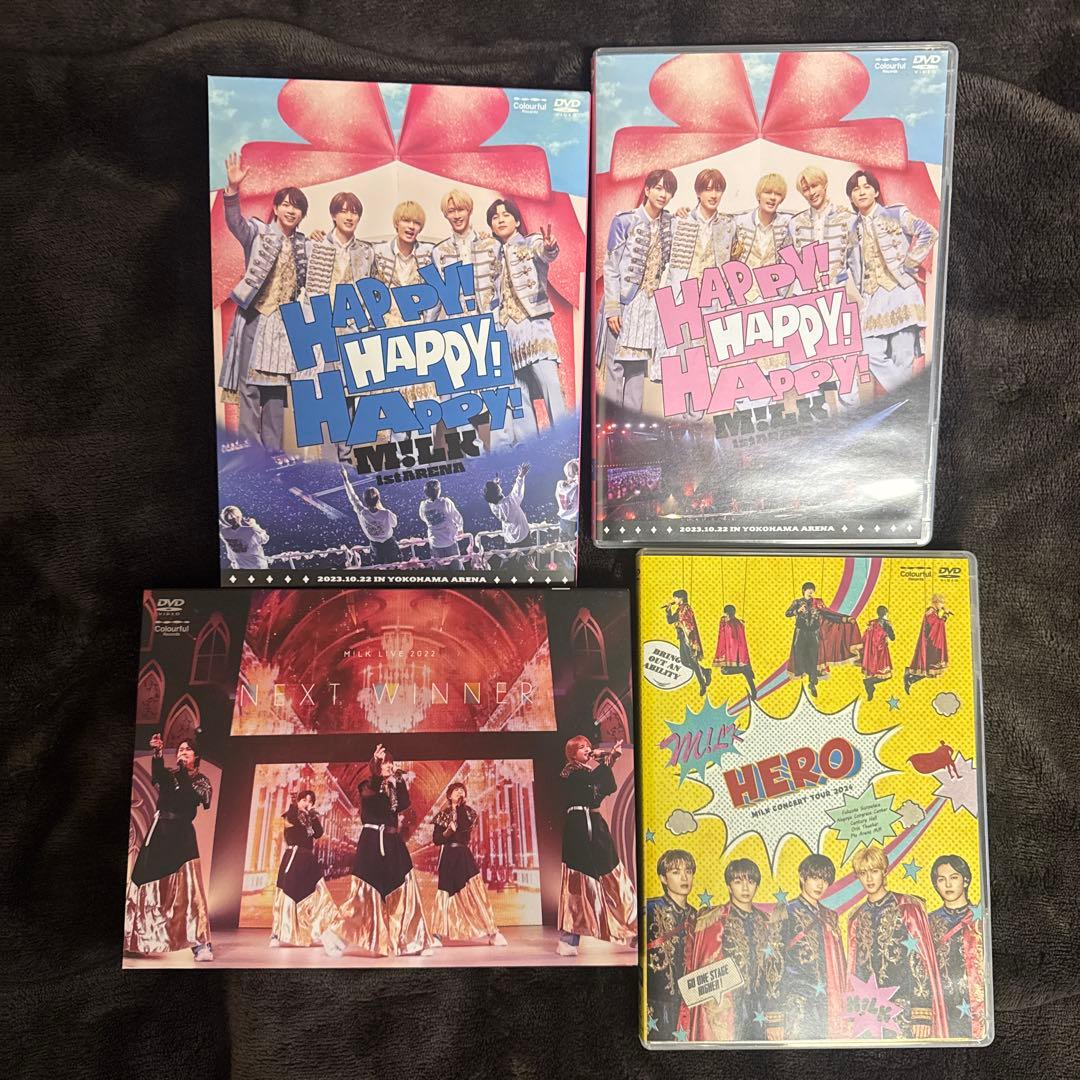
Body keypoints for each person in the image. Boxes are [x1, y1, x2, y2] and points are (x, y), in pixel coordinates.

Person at [218, 151, 309, 454]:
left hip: (284, 325)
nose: (291, 210)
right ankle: (251, 455)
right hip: (256, 318)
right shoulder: (258, 232)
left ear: (302, 214)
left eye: (297, 206)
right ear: (276, 208)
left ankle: (274, 454)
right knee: (250, 388)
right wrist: (233, 190)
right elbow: (235, 223)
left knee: (276, 392)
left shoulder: (304, 244)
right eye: (286, 204)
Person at [844, 169, 938, 403]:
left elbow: (928, 232)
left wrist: (910, 262)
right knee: (868, 352)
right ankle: (911, 398)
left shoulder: (896, 213)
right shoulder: (851, 228)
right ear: (851, 197)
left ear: (876, 191)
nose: (861, 192)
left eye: (866, 187)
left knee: (902, 358)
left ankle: (903, 406)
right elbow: (848, 262)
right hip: (873, 299)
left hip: (901, 294)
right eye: (855, 189)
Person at [297, 192, 375, 462]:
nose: (349, 216)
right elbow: (304, 288)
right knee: (326, 393)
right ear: (333, 215)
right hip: (323, 328)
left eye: (354, 211)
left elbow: (373, 290)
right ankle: (329, 460)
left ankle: (346, 457)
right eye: (344, 211)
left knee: (350, 394)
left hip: (352, 331)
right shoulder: (315, 245)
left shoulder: (366, 251)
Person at [124, 733, 214, 961]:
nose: (182, 752)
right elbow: (157, 775)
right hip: (160, 832)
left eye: (187, 749)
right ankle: (140, 939)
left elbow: (188, 798)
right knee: (144, 881)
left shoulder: (201, 780)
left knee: (189, 890)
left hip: (182, 836)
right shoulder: (170, 775)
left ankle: (200, 944)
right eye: (180, 749)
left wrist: (183, 771)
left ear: (197, 756)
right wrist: (157, 753)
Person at [339, 744, 433, 957]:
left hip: (392, 840)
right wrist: (375, 766)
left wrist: (398, 781)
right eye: (385, 763)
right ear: (376, 766)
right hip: (371, 841)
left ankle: (412, 942)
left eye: (391, 763)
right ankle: (340, 938)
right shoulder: (366, 785)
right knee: (365, 892)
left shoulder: (393, 788)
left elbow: (404, 804)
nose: (389, 766)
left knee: (403, 885)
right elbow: (369, 796)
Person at [487, 198, 564, 447]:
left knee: (550, 386)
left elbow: (545, 252)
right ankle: (531, 451)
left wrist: (550, 247)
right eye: (495, 217)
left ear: (518, 221)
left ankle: (566, 444)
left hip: (534, 327)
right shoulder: (492, 256)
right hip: (507, 333)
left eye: (506, 215)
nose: (500, 219)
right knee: (519, 396)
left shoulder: (530, 242)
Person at [847, 845, 946, 1038]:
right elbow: (856, 969)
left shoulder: (907, 907)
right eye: (863, 873)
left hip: (904, 1009)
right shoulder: (857, 916)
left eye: (874, 871)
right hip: (870, 1012)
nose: (869, 878)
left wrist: (921, 1013)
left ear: (884, 871)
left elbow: (919, 960)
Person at [679, 859, 782, 1042]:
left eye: (750, 881)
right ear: (729, 886)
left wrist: (773, 1016)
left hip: (759, 1007)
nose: (745, 888)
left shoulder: (766, 922)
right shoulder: (714, 920)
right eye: (738, 881)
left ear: (757, 885)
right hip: (726, 1008)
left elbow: (773, 972)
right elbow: (703, 968)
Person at [600, 168, 678, 411]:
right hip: (623, 302)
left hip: (648, 305)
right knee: (615, 366)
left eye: (668, 190)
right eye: (659, 188)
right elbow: (610, 267)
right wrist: (613, 309)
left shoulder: (671, 224)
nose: (663, 194)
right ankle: (611, 423)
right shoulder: (625, 220)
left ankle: (632, 425)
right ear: (647, 190)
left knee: (637, 368)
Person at [557, 736, 637, 956]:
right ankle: (568, 940)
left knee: (614, 876)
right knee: (578, 882)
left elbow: (607, 787)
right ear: (572, 753)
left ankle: (634, 929)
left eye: (588, 746)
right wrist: (607, 760)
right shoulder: (570, 772)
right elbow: (587, 785)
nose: (587, 749)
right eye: (581, 747)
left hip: (595, 826)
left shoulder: (588, 772)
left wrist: (608, 761)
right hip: (578, 828)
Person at [774, 854, 848, 1040]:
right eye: (815, 878)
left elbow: (841, 964)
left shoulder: (830, 916)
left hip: (829, 1001)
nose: (820, 885)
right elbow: (774, 963)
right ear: (802, 877)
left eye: (824, 879)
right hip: (797, 999)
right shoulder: (786, 911)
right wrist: (774, 1015)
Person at [372, 201, 438, 407]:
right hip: (388, 334)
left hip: (417, 334)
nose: (411, 227)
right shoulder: (378, 252)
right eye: (406, 221)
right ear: (396, 223)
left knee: (422, 402)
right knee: (393, 403)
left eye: (416, 223)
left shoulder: (428, 253)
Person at [269, 789, 347, 956]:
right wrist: (295, 805)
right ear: (298, 801)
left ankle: (321, 933)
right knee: (286, 896)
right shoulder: (290, 815)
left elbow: (319, 833)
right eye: (304, 800)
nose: (307, 803)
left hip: (308, 859)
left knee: (318, 895)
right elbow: (293, 818)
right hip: (293, 858)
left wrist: (312, 816)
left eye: (310, 801)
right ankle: (277, 933)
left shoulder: (310, 818)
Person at [431, 782, 507, 947]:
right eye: (456, 790)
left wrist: (459, 809)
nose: (459, 792)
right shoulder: (442, 815)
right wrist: (447, 832)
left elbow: (465, 832)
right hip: (448, 857)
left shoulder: (468, 813)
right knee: (444, 895)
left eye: (462, 791)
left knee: (475, 893)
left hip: (463, 856)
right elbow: (436, 839)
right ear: (449, 795)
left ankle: (493, 933)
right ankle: (437, 935)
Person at [928, 854, 988, 1040]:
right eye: (941, 879)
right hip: (941, 1003)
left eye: (954, 877)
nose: (948, 884)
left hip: (977, 1002)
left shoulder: (981, 919)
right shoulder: (929, 922)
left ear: (966, 880)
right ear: (935, 884)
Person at [645, 850, 698, 1041]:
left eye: (688, 871)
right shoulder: (649, 909)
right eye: (676, 872)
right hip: (656, 1004)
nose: (684, 877)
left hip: (688, 1005)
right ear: (663, 878)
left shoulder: (698, 916)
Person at [784, 582, 861, 697]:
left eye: (812, 589)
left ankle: (812, 682)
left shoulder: (818, 603)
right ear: (804, 591)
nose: (811, 591)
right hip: (801, 633)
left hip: (814, 633)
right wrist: (797, 611)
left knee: (814, 657)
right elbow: (787, 613)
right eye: (808, 589)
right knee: (801, 656)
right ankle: (809, 677)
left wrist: (845, 619)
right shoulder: (797, 602)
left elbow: (829, 614)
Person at [432, 189, 499, 314]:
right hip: (457, 322)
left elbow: (501, 287)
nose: (457, 216)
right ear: (445, 215)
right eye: (451, 211)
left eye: (461, 209)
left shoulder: (491, 245)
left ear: (470, 211)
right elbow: (437, 297)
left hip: (489, 318)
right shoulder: (439, 252)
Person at [789, 166, 854, 286]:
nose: (811, 193)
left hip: (836, 290)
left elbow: (856, 263)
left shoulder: (848, 219)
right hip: (805, 293)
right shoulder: (795, 223)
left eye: (814, 186)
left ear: (825, 185)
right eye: (806, 189)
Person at [340, 466, 402, 565]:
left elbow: (352, 497)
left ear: (365, 500)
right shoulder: (386, 513)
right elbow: (394, 524)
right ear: (378, 499)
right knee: (397, 566)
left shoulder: (362, 512)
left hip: (375, 546)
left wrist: (345, 479)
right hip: (390, 544)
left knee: (378, 568)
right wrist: (381, 506)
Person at [484, 463, 532, 568]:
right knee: (526, 561)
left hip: (509, 539)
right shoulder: (510, 503)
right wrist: (521, 476)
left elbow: (494, 497)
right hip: (522, 536)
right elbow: (517, 491)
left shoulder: (493, 507)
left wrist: (496, 485)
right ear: (498, 491)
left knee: (512, 563)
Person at [664, 589, 711, 696]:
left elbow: (689, 625)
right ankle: (705, 671)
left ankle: (702, 684)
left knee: (693, 662)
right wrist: (668, 611)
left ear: (681, 598)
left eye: (675, 597)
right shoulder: (679, 609)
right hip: (682, 638)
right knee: (684, 662)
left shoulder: (686, 608)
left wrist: (681, 626)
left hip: (688, 639)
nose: (674, 599)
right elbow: (670, 621)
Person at [904, 593, 950, 693]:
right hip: (930, 644)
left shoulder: (934, 612)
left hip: (931, 643)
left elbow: (937, 624)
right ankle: (908, 676)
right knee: (928, 668)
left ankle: (909, 678)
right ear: (936, 602)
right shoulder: (930, 612)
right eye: (941, 603)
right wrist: (945, 615)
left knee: (928, 670)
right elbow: (937, 625)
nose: (942, 605)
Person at [419, 478, 464, 567]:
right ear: (438, 490)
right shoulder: (445, 502)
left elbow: (423, 518)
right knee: (456, 566)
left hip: (435, 542)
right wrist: (460, 528)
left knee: (439, 568)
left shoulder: (423, 505)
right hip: (449, 540)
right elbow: (456, 516)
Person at [714, 604, 756, 699]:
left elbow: (730, 639)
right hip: (740, 654)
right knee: (747, 673)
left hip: (733, 654)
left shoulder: (728, 624)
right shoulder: (738, 623)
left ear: (727, 613)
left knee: (724, 671)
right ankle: (754, 691)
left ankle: (744, 670)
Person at [859, 605, 895, 699]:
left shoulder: (872, 624)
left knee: (874, 673)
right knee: (886, 675)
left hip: (872, 653)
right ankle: (869, 683)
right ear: (885, 614)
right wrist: (889, 629)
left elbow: (865, 638)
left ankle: (870, 687)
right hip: (881, 653)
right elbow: (893, 638)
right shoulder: (885, 624)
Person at [219, 505, 269, 570]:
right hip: (258, 566)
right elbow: (265, 539)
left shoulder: (223, 532)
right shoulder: (250, 530)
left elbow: (225, 526)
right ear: (240, 516)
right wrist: (255, 525)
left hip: (240, 567)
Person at [555, 459, 580, 542]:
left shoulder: (559, 484)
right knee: (574, 545)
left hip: (563, 520)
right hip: (573, 522)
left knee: (564, 545)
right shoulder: (577, 486)